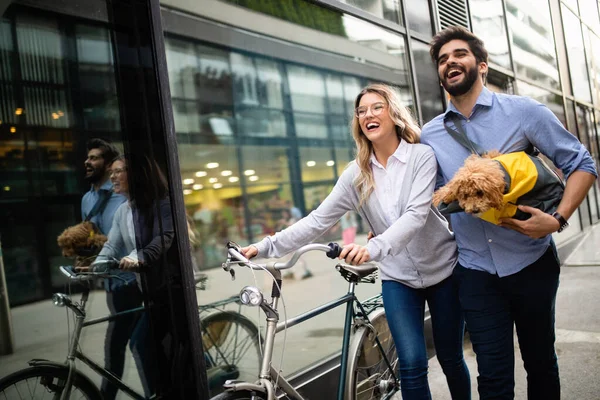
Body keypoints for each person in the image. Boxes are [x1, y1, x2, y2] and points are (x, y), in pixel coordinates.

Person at [241, 84, 470, 399]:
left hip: (443, 272)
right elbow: (318, 220)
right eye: (361, 111)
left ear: (393, 113)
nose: (368, 115)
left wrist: (370, 248)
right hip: (398, 278)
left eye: (376, 107)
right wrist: (265, 246)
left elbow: (415, 217)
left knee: (450, 357)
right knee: (413, 364)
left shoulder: (421, 156)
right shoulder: (357, 173)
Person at [422, 26, 598, 399]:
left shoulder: (524, 112)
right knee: (493, 376)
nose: (450, 62)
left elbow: (582, 163)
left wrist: (559, 219)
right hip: (474, 272)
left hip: (531, 263)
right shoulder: (430, 135)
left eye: (459, 54)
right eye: (442, 59)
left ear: (481, 66)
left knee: (540, 363)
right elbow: (422, 200)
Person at [92, 153, 174, 398]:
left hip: (171, 289)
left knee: (141, 342)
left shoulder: (162, 204)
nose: (113, 176)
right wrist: (96, 264)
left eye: (120, 171)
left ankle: (159, 394)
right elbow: (112, 245)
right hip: (149, 291)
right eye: (112, 171)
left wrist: (140, 255)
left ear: (137, 175)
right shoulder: (123, 211)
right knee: (162, 344)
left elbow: (164, 237)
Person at [80, 139, 142, 400]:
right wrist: (87, 260)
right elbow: (95, 239)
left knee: (128, 345)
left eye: (94, 158)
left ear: (109, 165)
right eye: (88, 157)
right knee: (125, 345)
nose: (87, 162)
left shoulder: (124, 196)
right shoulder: (88, 199)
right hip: (112, 284)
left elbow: (133, 238)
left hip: (134, 280)